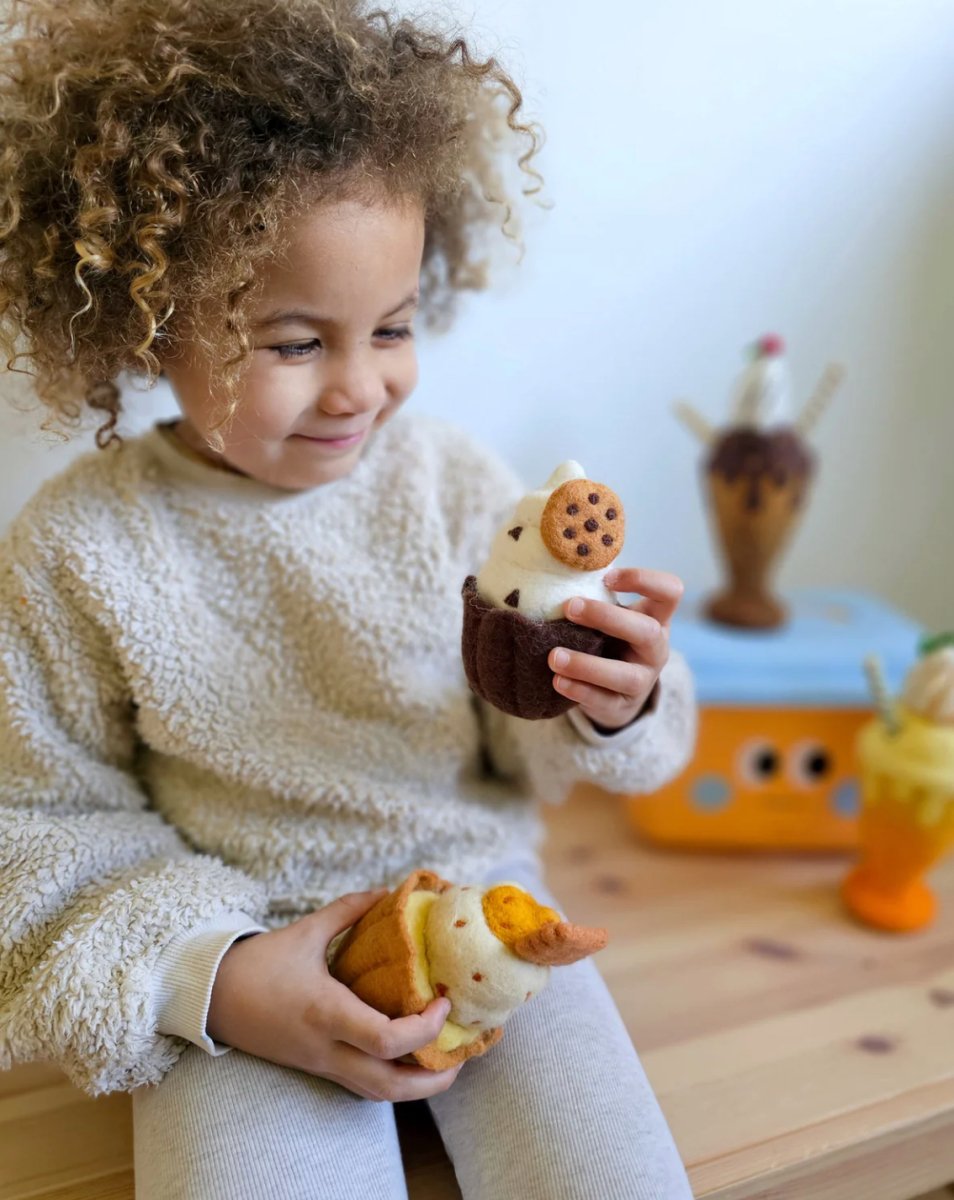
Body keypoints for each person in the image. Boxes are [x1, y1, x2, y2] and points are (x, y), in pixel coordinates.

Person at [0, 1, 697, 1196]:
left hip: (484, 906)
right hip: (250, 938)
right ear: (148, 325)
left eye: (393, 326)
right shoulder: (79, 547)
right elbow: (35, 820)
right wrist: (212, 976)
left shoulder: (458, 488)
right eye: (291, 343)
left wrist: (608, 698)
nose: (360, 387)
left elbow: (522, 733)